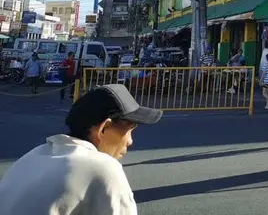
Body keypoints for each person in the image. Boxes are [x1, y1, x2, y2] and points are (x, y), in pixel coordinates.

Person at [0, 84, 162, 215]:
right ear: (104, 128)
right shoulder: (103, 167)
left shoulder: (33, 155)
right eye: (129, 130)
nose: (130, 141)